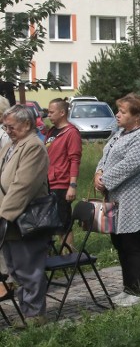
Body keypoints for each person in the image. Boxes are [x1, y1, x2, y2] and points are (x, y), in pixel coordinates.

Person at [95, 94, 140, 307]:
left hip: (135, 199)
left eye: (123, 112)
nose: (118, 115)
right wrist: (98, 172)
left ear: (137, 116)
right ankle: (128, 287)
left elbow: (130, 164)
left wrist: (105, 180)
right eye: (119, 111)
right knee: (120, 243)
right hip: (117, 199)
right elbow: (105, 156)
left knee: (133, 244)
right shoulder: (119, 133)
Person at [0, 105, 50, 326]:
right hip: (9, 217)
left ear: (27, 124)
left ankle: (35, 314)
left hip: (23, 218)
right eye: (5, 126)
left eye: (10, 126)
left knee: (28, 266)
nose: (7, 130)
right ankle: (26, 309)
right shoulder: (12, 145)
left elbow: (22, 186)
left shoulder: (34, 147)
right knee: (14, 267)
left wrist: (3, 216)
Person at [44, 98, 82, 247]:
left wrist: (72, 185)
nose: (48, 115)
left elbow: (74, 159)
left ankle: (69, 256)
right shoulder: (52, 131)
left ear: (62, 112)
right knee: (50, 221)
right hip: (47, 181)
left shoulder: (71, 133)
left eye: (51, 112)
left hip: (61, 182)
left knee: (63, 222)